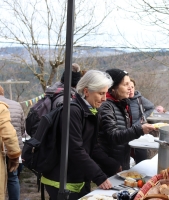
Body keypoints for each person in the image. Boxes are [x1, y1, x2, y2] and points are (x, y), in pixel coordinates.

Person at [42, 70, 114, 200]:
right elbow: (75, 149)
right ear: (86, 91)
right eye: (101, 93)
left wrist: (112, 165)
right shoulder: (73, 111)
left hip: (78, 176)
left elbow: (92, 146)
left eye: (106, 94)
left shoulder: (91, 111)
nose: (104, 99)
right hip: (61, 179)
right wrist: (99, 176)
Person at [98, 68, 157, 171]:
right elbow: (113, 136)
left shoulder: (121, 104)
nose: (130, 88)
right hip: (110, 166)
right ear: (113, 88)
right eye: (125, 85)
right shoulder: (106, 106)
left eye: (130, 84)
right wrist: (140, 129)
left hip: (122, 162)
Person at [0, 86, 25, 200]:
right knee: (13, 178)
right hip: (12, 147)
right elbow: (21, 128)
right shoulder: (15, 105)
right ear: (2, 92)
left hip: (3, 148)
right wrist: (15, 155)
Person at [129, 78, 155, 164]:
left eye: (132, 87)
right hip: (125, 132)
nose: (130, 90)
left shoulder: (138, 99)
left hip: (138, 129)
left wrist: (142, 119)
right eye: (128, 88)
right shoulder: (121, 100)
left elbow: (151, 107)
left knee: (141, 155)